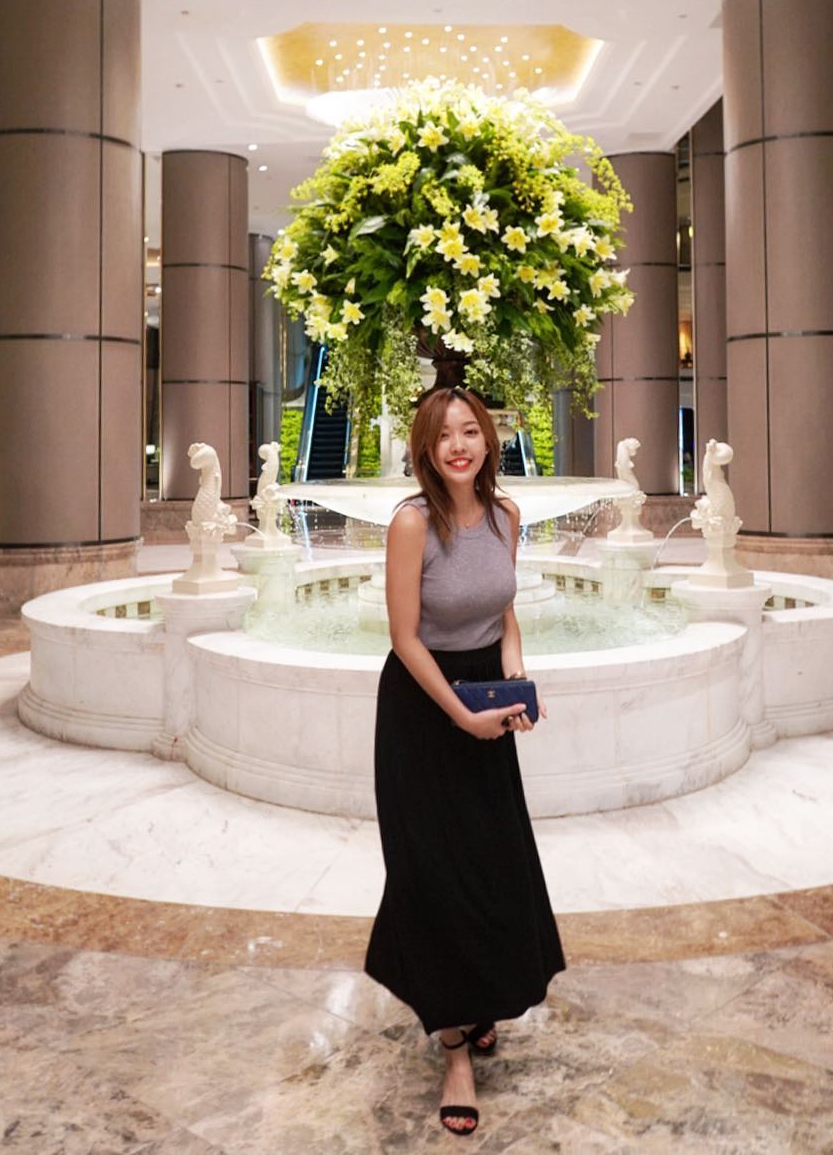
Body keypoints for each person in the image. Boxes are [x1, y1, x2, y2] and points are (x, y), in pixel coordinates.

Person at [364, 386, 566, 1137]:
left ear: (488, 439)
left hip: (484, 695)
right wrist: (460, 713)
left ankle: (479, 997)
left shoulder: (506, 515)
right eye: (444, 434)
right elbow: (404, 637)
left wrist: (517, 684)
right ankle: (454, 1050)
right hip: (424, 710)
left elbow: (503, 614)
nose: (459, 445)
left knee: (490, 863)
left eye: (470, 431)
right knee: (433, 874)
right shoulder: (412, 523)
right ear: (425, 446)